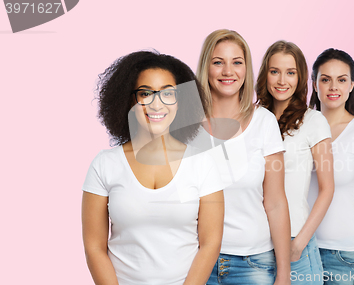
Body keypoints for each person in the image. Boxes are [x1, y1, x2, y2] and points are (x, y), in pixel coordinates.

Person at [82, 50, 224, 285]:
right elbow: (94, 248)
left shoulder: (203, 164)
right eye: (145, 93)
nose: (157, 104)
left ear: (180, 101)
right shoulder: (104, 165)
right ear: (130, 101)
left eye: (168, 93)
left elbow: (210, 244)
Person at [196, 29, 291, 285]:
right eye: (218, 62)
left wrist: (284, 273)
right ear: (206, 67)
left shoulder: (264, 122)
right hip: (195, 261)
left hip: (252, 263)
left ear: (246, 69)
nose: (229, 71)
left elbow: (276, 202)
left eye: (237, 62)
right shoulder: (185, 121)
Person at [256, 40, 334, 284]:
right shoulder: (255, 119)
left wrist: (299, 243)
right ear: (264, 75)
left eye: (290, 73)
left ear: (300, 78)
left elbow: (327, 188)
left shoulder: (314, 121)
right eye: (275, 71)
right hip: (256, 240)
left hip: (294, 239)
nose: (282, 81)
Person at [308, 48, 354, 285]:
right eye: (325, 79)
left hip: (344, 255)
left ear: (351, 85)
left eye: (341, 80)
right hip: (301, 249)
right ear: (314, 83)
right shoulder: (299, 127)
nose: (333, 87)